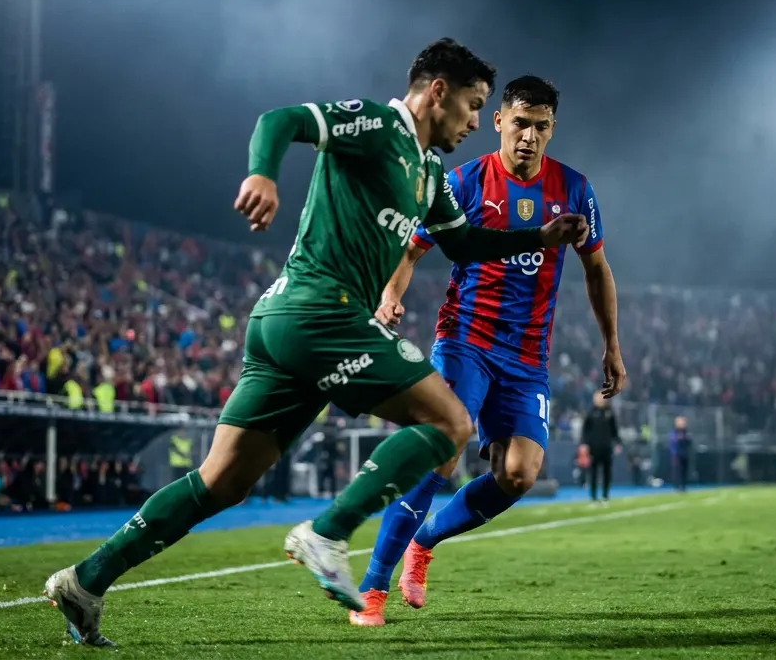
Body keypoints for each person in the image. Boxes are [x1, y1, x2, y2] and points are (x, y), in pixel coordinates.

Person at [44, 39, 591, 646]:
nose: (471, 122)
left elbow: (464, 245)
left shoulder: (430, 171)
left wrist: (540, 236)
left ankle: (87, 581)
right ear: (438, 92)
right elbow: (281, 120)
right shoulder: (381, 125)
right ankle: (328, 532)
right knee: (450, 423)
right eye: (471, 105)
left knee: (222, 481)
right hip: (317, 310)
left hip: (286, 327)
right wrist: (262, 173)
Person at [350, 75, 625, 626]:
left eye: (540, 126)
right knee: (439, 454)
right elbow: (413, 248)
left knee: (520, 472)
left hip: (526, 358)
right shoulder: (464, 182)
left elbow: (597, 269)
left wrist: (611, 345)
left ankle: (423, 542)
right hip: (465, 341)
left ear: (552, 130)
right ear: (499, 121)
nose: (529, 136)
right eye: (519, 123)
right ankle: (372, 590)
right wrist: (391, 294)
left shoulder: (575, 189)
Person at [581, 390, 621, 506]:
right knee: (593, 472)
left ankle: (605, 496)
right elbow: (585, 431)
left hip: (607, 447)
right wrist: (584, 444)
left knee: (607, 472)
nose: (599, 400)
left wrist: (618, 442)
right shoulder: (591, 413)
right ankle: (593, 497)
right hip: (593, 448)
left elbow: (614, 429)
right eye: (597, 398)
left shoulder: (609, 413)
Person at [670, 415, 693, 492]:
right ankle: (677, 486)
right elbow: (674, 443)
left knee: (684, 471)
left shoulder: (686, 432)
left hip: (685, 454)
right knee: (677, 471)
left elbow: (689, 442)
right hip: (677, 454)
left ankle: (683, 486)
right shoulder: (675, 432)